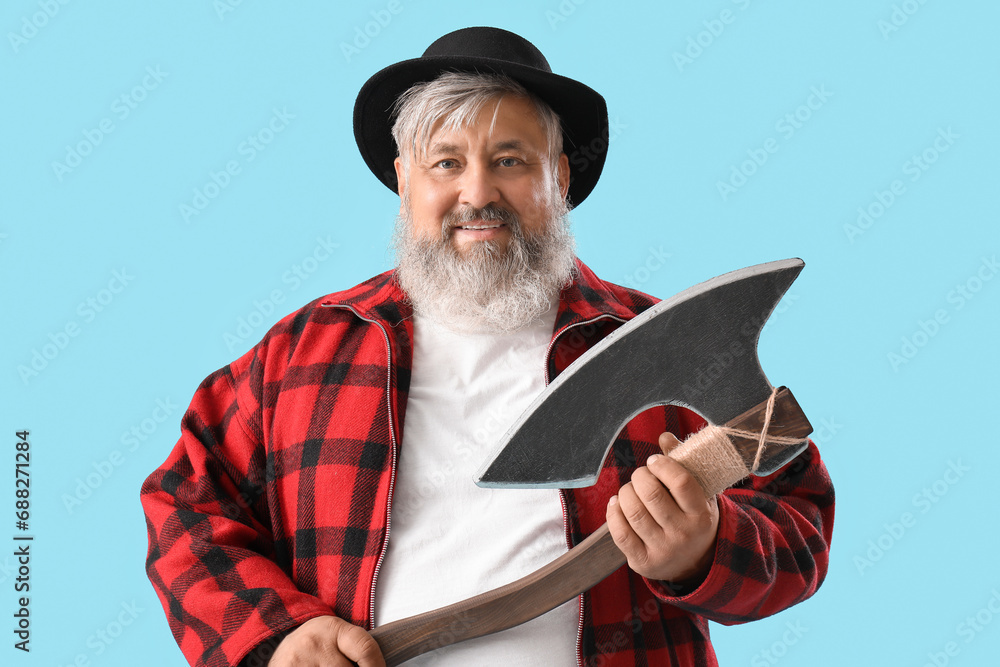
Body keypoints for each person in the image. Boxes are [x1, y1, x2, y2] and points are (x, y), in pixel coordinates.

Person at [141, 26, 834, 667]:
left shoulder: (658, 340)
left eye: (510, 160)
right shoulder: (303, 354)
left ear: (558, 178)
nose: (478, 191)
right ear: (404, 180)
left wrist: (706, 548)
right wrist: (278, 631)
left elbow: (800, 525)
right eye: (446, 161)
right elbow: (183, 504)